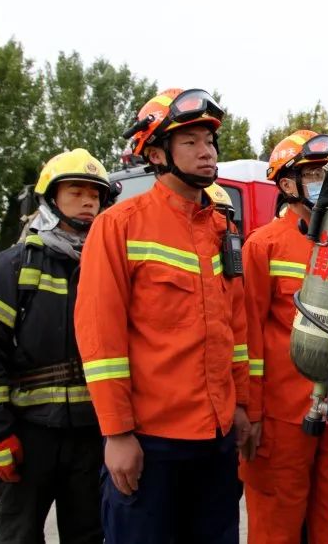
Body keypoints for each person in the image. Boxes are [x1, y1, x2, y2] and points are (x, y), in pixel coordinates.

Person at [74, 88, 251, 543]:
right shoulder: (119, 226)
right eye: (190, 141)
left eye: (209, 142)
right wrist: (117, 434)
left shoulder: (221, 229)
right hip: (152, 444)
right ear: (155, 153)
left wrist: (245, 407)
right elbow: (100, 338)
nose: (207, 152)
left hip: (217, 439)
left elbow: (235, 328)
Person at [0, 148, 111, 543]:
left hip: (92, 435)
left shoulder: (109, 266)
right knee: (19, 535)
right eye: (76, 191)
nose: (87, 202)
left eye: (95, 195)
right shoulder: (14, 265)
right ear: (50, 199)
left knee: (91, 534)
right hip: (29, 434)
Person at [240, 130, 328, 544]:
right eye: (314, 173)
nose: (324, 181)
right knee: (276, 526)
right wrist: (252, 413)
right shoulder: (263, 246)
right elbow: (247, 334)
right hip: (281, 419)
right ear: (286, 184)